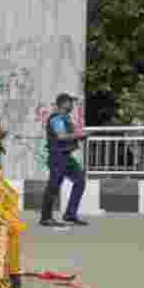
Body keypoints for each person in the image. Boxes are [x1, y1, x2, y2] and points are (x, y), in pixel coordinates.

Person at [40, 92, 89, 227]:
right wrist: (79, 135)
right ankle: (46, 217)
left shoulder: (65, 118)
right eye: (71, 102)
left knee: (80, 181)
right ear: (64, 104)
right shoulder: (56, 119)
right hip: (57, 157)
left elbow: (70, 135)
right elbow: (61, 136)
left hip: (66, 156)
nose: (72, 105)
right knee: (53, 186)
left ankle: (70, 214)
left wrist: (79, 135)